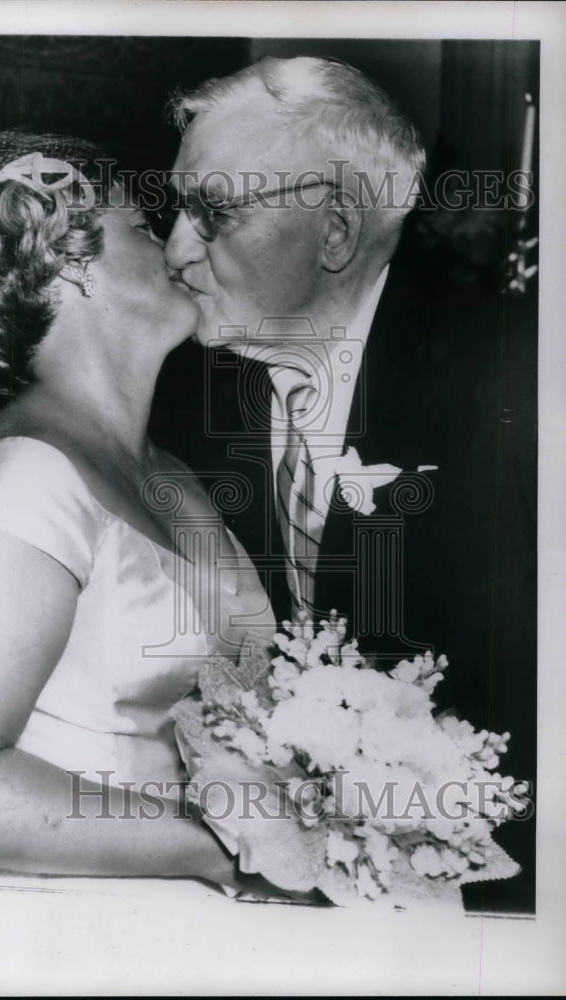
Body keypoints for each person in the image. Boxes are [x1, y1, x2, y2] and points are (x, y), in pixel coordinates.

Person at [156, 57, 536, 912]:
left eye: (213, 214)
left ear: (334, 234)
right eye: (176, 210)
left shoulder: (514, 381)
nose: (176, 253)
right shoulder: (184, 393)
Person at [0, 131, 276, 889]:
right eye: (148, 228)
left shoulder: (177, 480)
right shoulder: (23, 477)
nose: (183, 249)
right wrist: (231, 849)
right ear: (67, 260)